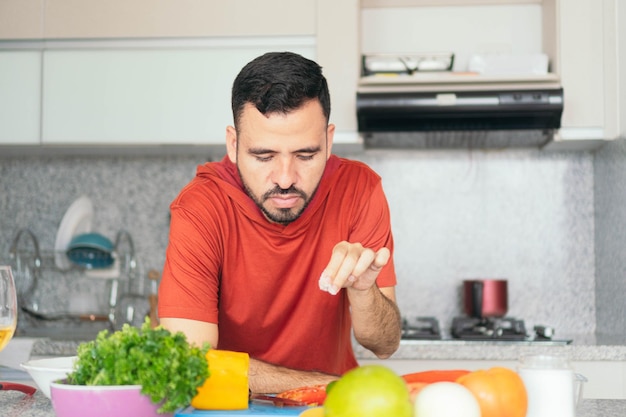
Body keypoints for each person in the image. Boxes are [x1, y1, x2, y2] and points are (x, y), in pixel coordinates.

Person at [158, 51, 402, 394]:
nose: (285, 178)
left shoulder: (359, 189)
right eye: (264, 156)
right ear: (233, 144)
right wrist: (322, 385)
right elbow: (189, 363)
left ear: (329, 141)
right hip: (238, 409)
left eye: (306, 155)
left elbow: (385, 344)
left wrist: (364, 292)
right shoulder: (201, 207)